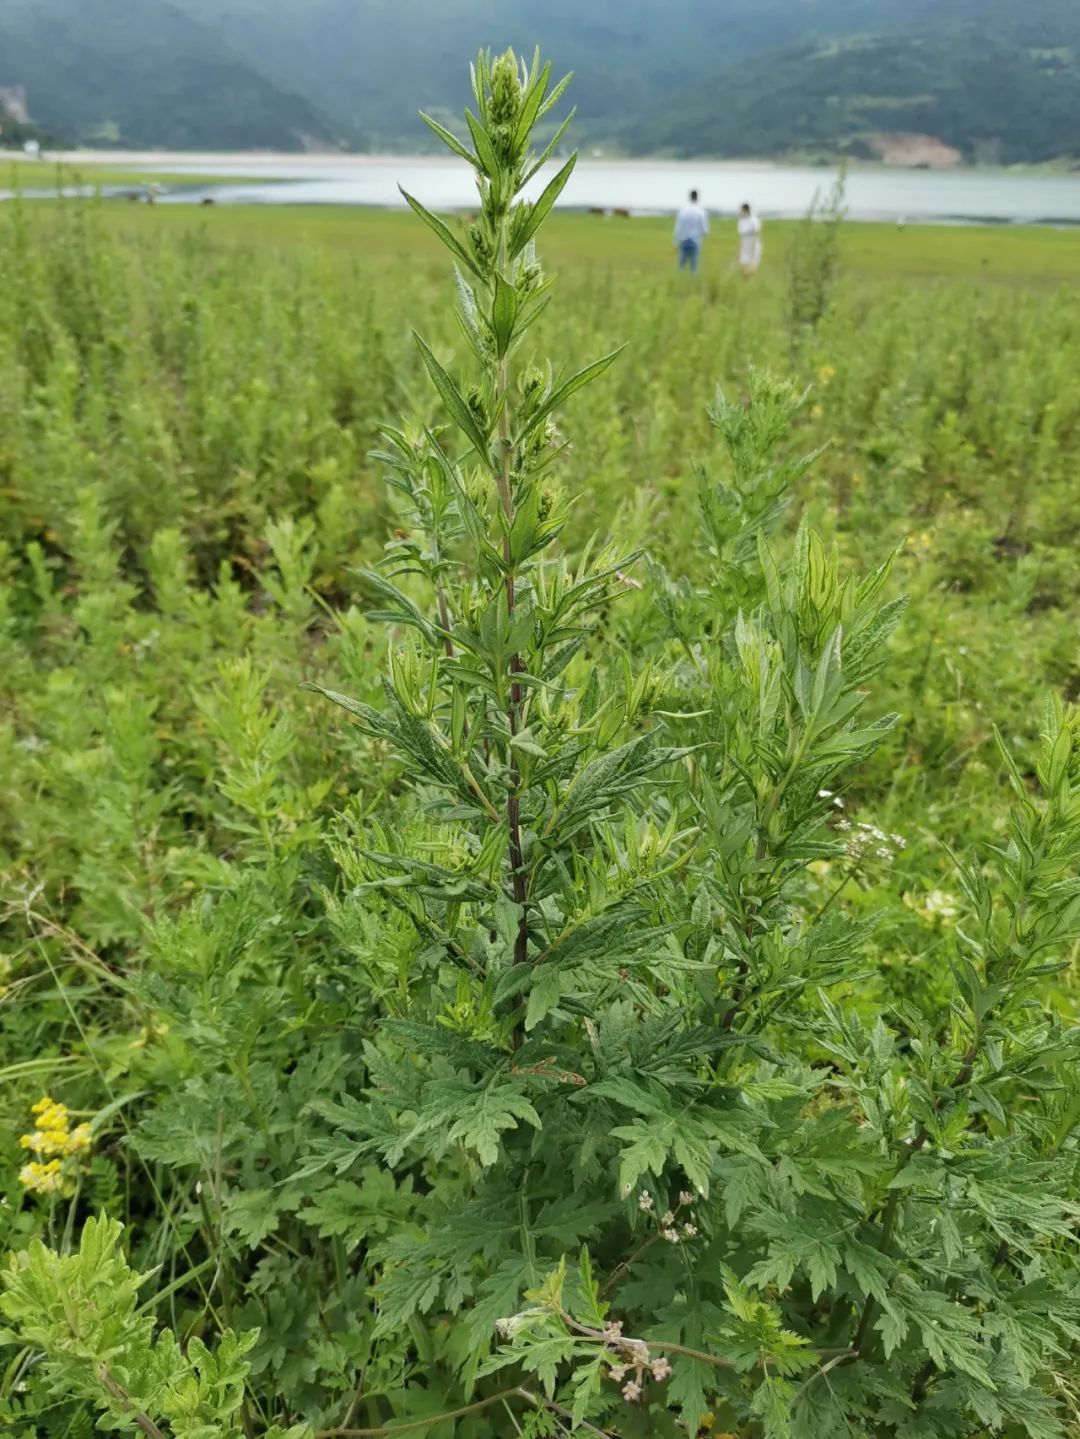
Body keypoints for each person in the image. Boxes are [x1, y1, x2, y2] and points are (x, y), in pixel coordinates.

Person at [674, 189, 709, 273]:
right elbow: (704, 230)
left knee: (681, 267)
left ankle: (679, 283)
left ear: (689, 197)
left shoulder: (683, 211)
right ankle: (694, 285)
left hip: (684, 241)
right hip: (695, 241)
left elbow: (678, 228)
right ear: (697, 198)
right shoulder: (701, 212)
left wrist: (676, 241)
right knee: (694, 269)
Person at [737, 203, 763, 277]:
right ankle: (745, 281)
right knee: (743, 265)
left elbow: (757, 234)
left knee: (752, 265)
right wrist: (738, 250)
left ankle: (751, 280)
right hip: (744, 244)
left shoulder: (753, 220)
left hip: (752, 243)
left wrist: (753, 248)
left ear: (746, 210)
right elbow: (741, 236)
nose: (741, 212)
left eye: (742, 210)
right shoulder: (741, 221)